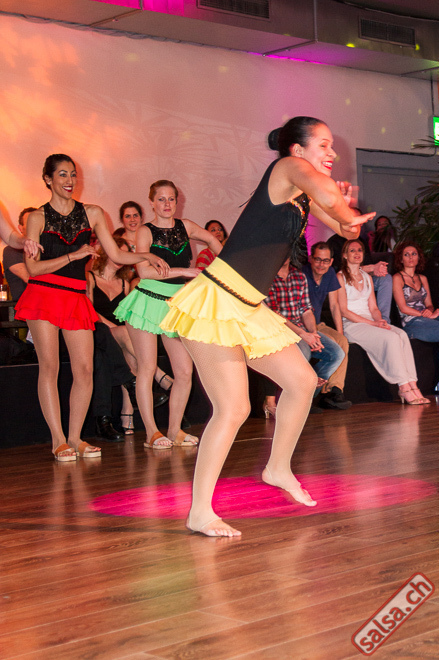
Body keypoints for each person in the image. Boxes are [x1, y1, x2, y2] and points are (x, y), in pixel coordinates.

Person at [161, 116, 375, 537]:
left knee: (302, 381)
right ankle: (199, 511)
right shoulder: (287, 169)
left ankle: (277, 467)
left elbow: (341, 223)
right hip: (216, 300)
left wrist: (346, 217)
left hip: (248, 306)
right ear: (298, 149)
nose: (332, 153)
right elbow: (330, 196)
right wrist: (341, 204)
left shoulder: (301, 194)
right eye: (324, 145)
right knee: (234, 408)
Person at [14, 154, 168, 462]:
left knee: (84, 370)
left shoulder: (93, 212)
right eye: (62, 174)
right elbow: (33, 268)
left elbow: (116, 255)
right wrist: (73, 256)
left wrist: (145, 256)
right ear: (48, 179)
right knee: (50, 368)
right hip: (44, 294)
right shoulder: (37, 217)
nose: (70, 180)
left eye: (73, 174)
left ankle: (75, 438)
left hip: (74, 297)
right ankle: (58, 440)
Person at [115, 179, 223, 450]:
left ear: (177, 201)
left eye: (171, 199)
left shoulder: (185, 226)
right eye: (161, 199)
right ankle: (151, 433)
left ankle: (174, 431)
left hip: (176, 304)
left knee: (184, 372)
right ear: (152, 202)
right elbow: (144, 271)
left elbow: (212, 239)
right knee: (147, 367)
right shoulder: (145, 231)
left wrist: (227, 268)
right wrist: (185, 271)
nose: (167, 204)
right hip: (148, 302)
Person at [87, 236, 169, 437]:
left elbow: (129, 314)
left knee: (128, 343)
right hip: (97, 331)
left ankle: (127, 412)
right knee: (125, 333)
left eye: (126, 254)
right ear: (107, 252)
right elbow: (89, 310)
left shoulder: (125, 283)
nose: (121, 258)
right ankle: (160, 376)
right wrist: (115, 327)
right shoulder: (90, 277)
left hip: (120, 336)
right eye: (119, 252)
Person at [337, 239, 429, 405]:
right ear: (344, 255)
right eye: (352, 250)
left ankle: (413, 384)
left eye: (359, 250)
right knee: (391, 338)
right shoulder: (340, 277)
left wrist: (380, 320)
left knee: (401, 335)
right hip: (352, 324)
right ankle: (403, 386)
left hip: (370, 321)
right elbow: (344, 311)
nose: (357, 253)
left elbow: (373, 307)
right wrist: (373, 324)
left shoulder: (367, 277)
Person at [265, 258, 345, 413]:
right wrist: (303, 334)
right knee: (304, 351)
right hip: (280, 330)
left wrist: (313, 333)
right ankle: (294, 399)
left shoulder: (298, 276)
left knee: (336, 354)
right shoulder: (269, 277)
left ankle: (307, 398)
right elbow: (274, 315)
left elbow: (306, 310)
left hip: (301, 328)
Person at [302, 241, 351, 409]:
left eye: (325, 261)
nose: (321, 264)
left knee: (342, 341)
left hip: (318, 324)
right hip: (301, 326)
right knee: (332, 348)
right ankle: (310, 393)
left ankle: (333, 391)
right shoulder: (302, 274)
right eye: (318, 259)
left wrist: (340, 332)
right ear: (311, 259)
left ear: (331, 262)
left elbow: (334, 305)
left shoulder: (329, 273)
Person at [327, 209, 393, 323]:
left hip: (363, 278)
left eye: (360, 221)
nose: (358, 223)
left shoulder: (361, 241)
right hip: (345, 282)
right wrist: (371, 268)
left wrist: (377, 269)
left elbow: (366, 266)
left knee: (386, 279)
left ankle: (383, 321)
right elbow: (336, 270)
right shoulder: (334, 242)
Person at [392, 241, 439, 343]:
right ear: (401, 259)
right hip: (411, 322)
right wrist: (424, 314)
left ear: (419, 258)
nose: (411, 257)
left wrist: (430, 311)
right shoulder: (397, 278)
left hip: (427, 318)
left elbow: (429, 305)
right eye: (406, 254)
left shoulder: (423, 278)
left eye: (414, 254)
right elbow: (403, 308)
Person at [2, 207, 36, 301]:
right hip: (26, 305)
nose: (35, 227)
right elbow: (28, 278)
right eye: (30, 223)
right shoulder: (12, 250)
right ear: (20, 228)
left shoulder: (48, 249)